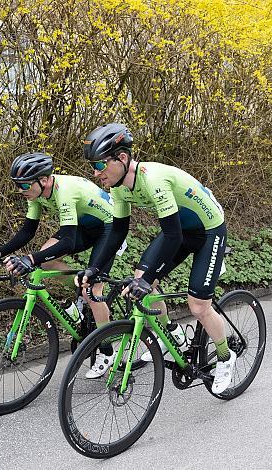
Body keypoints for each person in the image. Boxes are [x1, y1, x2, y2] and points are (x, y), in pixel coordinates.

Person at [79, 123, 236, 394]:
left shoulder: (153, 179)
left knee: (198, 306)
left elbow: (172, 235)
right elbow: (117, 230)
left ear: (122, 158)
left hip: (208, 231)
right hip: (180, 230)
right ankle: (171, 334)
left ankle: (225, 356)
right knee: (142, 283)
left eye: (100, 165)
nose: (96, 174)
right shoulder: (118, 186)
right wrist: (94, 268)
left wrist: (149, 277)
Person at [0, 152, 119, 378]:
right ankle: (78, 299)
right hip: (83, 225)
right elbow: (27, 231)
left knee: (92, 290)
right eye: (17, 185)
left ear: (43, 180)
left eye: (24, 185)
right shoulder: (36, 195)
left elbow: (68, 242)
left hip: (110, 228)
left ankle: (107, 349)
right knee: (46, 260)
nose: (20, 190)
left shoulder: (64, 192)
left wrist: (30, 259)